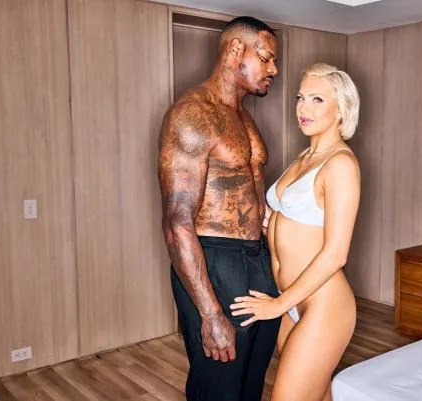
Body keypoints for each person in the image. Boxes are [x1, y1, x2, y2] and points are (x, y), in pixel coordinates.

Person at [157, 16, 280, 401]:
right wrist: (210, 313)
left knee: (251, 379)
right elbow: (177, 223)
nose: (274, 70)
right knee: (219, 382)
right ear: (235, 49)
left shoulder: (242, 116)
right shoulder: (194, 114)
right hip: (215, 259)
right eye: (267, 58)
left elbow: (252, 192)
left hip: (256, 256)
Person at [230, 63, 361, 401]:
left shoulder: (341, 164)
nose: (304, 108)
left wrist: (279, 305)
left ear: (341, 110)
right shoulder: (306, 157)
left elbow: (336, 254)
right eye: (301, 98)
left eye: (317, 99)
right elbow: (292, 220)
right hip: (291, 298)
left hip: (322, 304)